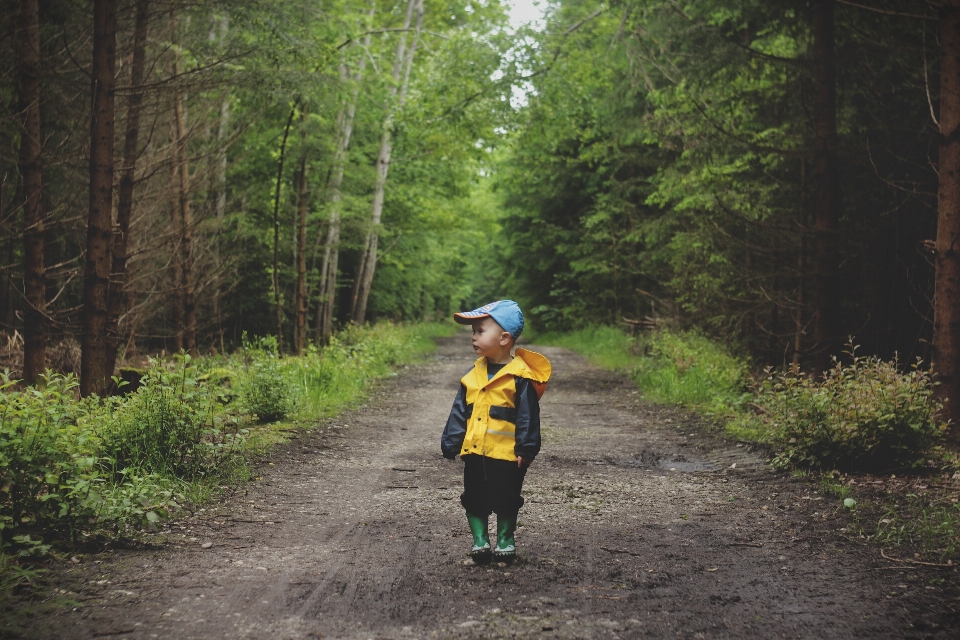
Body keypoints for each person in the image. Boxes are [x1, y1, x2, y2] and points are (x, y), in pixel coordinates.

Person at [440, 300, 551, 563]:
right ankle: (480, 540)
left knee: (508, 497)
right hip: (475, 451)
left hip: (507, 455)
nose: (473, 337)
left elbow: (527, 416)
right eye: (473, 332)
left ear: (504, 338)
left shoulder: (520, 377)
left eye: (480, 331)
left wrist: (527, 448)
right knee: (473, 496)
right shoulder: (472, 376)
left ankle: (505, 539)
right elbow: (460, 411)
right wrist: (452, 441)